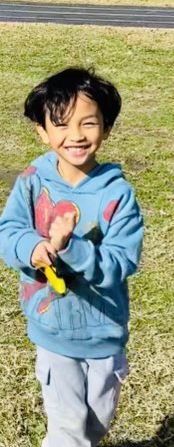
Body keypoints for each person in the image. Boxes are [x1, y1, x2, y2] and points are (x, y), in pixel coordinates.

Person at [0, 68, 144, 446]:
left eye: (89, 123)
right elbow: (8, 231)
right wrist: (32, 248)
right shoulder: (33, 180)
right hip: (53, 332)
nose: (75, 135)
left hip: (104, 334)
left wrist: (70, 246)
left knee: (94, 426)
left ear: (106, 128)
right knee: (68, 430)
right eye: (61, 125)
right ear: (42, 131)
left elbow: (121, 262)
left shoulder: (117, 195)